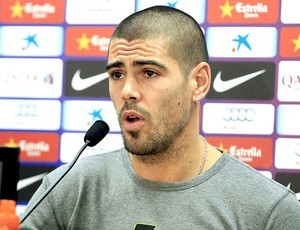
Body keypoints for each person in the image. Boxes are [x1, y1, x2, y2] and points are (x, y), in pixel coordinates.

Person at [20, 5, 300, 229]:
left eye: (149, 73)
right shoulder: (69, 187)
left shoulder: (269, 210)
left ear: (199, 82)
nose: (128, 91)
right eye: (117, 74)